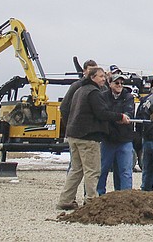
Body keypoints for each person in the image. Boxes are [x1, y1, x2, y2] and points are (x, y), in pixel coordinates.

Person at [57, 66, 128, 210]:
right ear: (92, 77)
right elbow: (102, 112)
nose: (104, 79)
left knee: (76, 170)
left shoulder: (79, 90)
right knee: (93, 170)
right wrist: (120, 116)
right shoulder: (93, 92)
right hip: (88, 137)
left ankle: (66, 200)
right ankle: (91, 201)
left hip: (73, 135)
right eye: (101, 76)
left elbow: (65, 108)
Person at [97, 73, 136, 194]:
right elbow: (103, 115)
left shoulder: (128, 97)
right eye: (117, 83)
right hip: (107, 139)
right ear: (110, 84)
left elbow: (128, 115)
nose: (120, 85)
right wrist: (119, 117)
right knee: (102, 170)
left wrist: (114, 117)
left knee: (125, 171)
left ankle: (125, 197)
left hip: (125, 139)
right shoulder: (102, 96)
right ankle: (99, 195)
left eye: (122, 83)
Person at [60, 59, 97, 137]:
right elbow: (64, 107)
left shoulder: (102, 87)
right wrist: (71, 125)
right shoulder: (76, 86)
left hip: (94, 132)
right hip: (77, 133)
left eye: (95, 70)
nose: (93, 72)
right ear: (84, 71)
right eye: (91, 70)